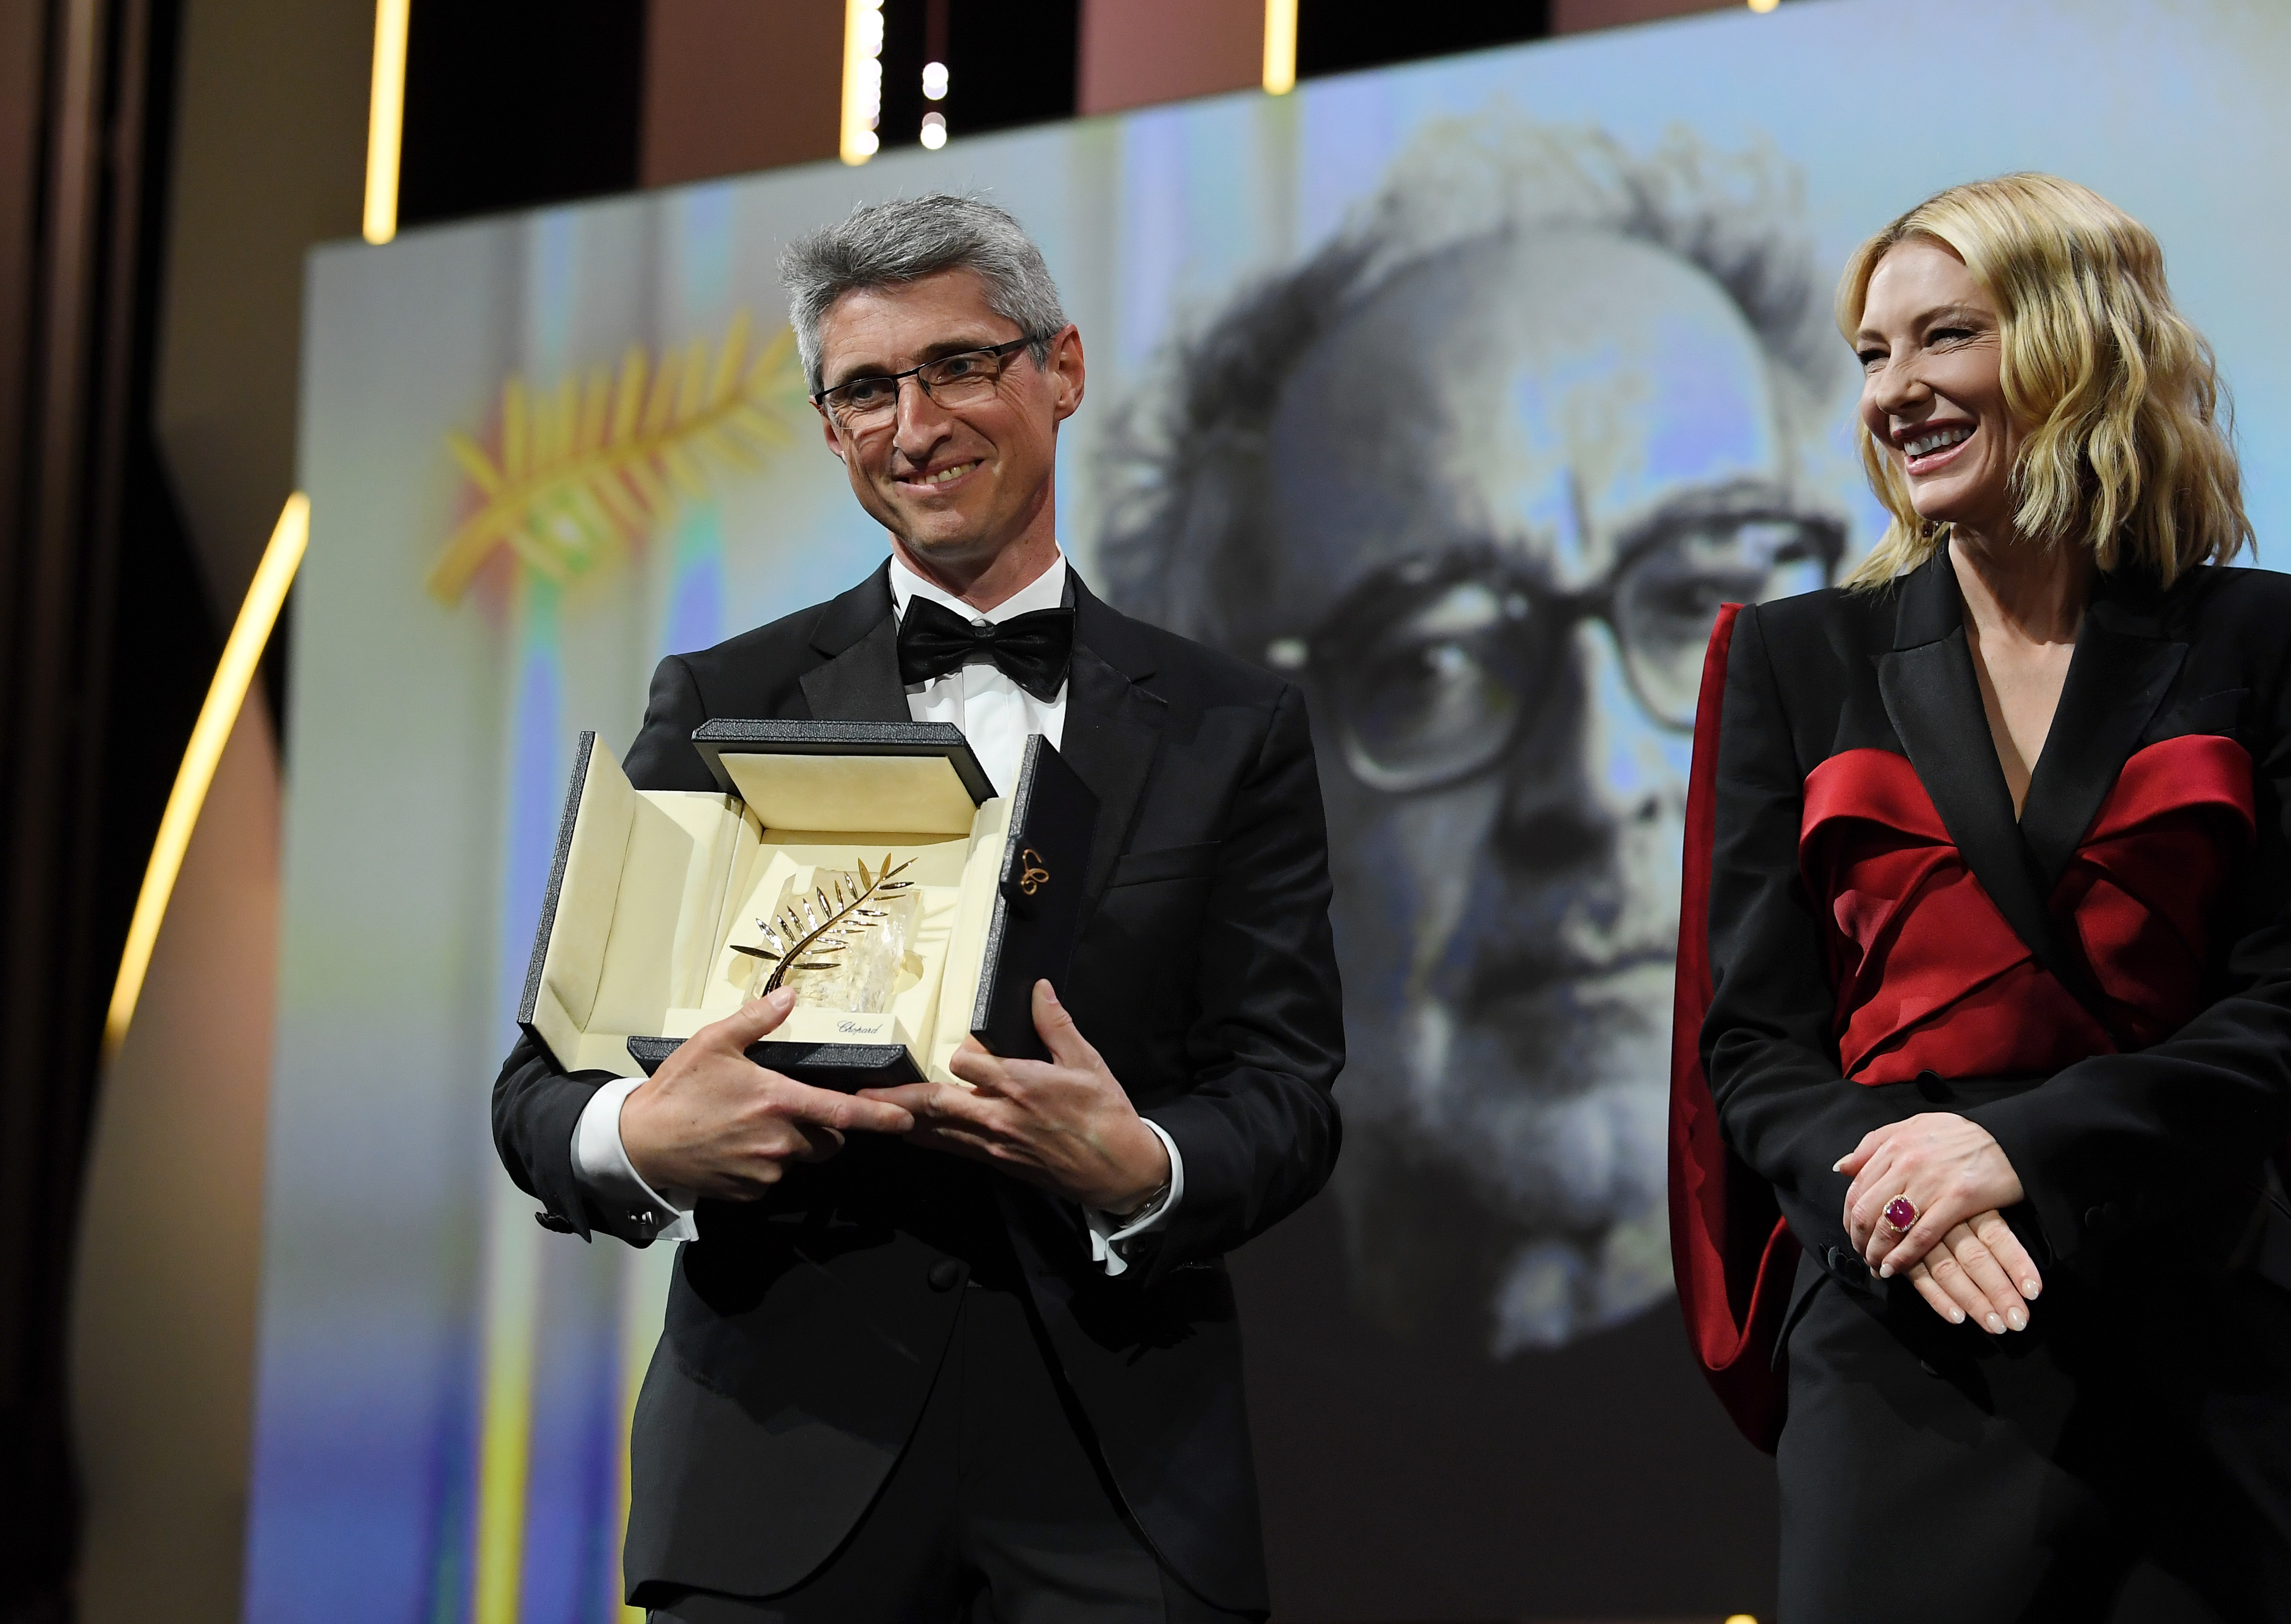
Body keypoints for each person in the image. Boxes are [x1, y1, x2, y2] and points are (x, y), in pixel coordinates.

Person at [491, 193, 1345, 1623]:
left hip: (1122, 1480)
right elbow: (540, 1084)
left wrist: (1139, 1163)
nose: (914, 424)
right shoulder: (723, 699)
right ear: (830, 429)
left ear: (1061, 369)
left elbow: (1287, 1087)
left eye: (957, 364)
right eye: (866, 389)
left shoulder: (1229, 724)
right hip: (776, 1478)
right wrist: (642, 1134)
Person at [1094, 113, 1849, 1354]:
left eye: (1697, 604)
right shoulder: (1110, 1376)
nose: (1594, 783)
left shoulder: (2041, 1346)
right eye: (1432, 660)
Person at [1673, 172, 2291, 1621]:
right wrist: (1906, 1187)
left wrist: (2012, 1147)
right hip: (1904, 1320)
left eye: (1944, 335)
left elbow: (2277, 1008)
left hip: (2199, 1320)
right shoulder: (1790, 658)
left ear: (2080, 345)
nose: (1894, 391)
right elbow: (1750, 1044)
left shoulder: (2260, 639)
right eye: (1871, 353)